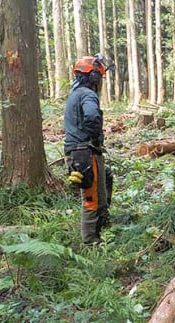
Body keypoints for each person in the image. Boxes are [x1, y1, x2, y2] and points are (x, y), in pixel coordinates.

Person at [64, 54, 114, 245]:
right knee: (91, 197)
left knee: (106, 178)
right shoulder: (87, 95)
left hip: (82, 151)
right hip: (84, 152)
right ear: (93, 76)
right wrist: (94, 138)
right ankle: (90, 241)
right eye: (99, 76)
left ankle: (100, 224)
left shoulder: (75, 94)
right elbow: (92, 117)